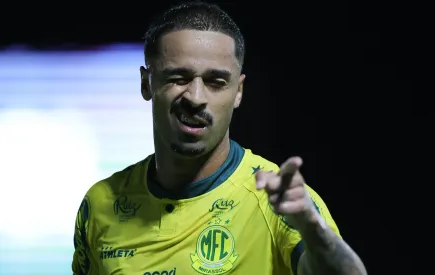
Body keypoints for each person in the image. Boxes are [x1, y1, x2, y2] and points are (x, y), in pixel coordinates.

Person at [72, 2, 367, 275]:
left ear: (238, 92)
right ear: (146, 83)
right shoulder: (99, 205)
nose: (196, 97)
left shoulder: (275, 202)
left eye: (215, 82)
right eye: (178, 77)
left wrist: (312, 228)